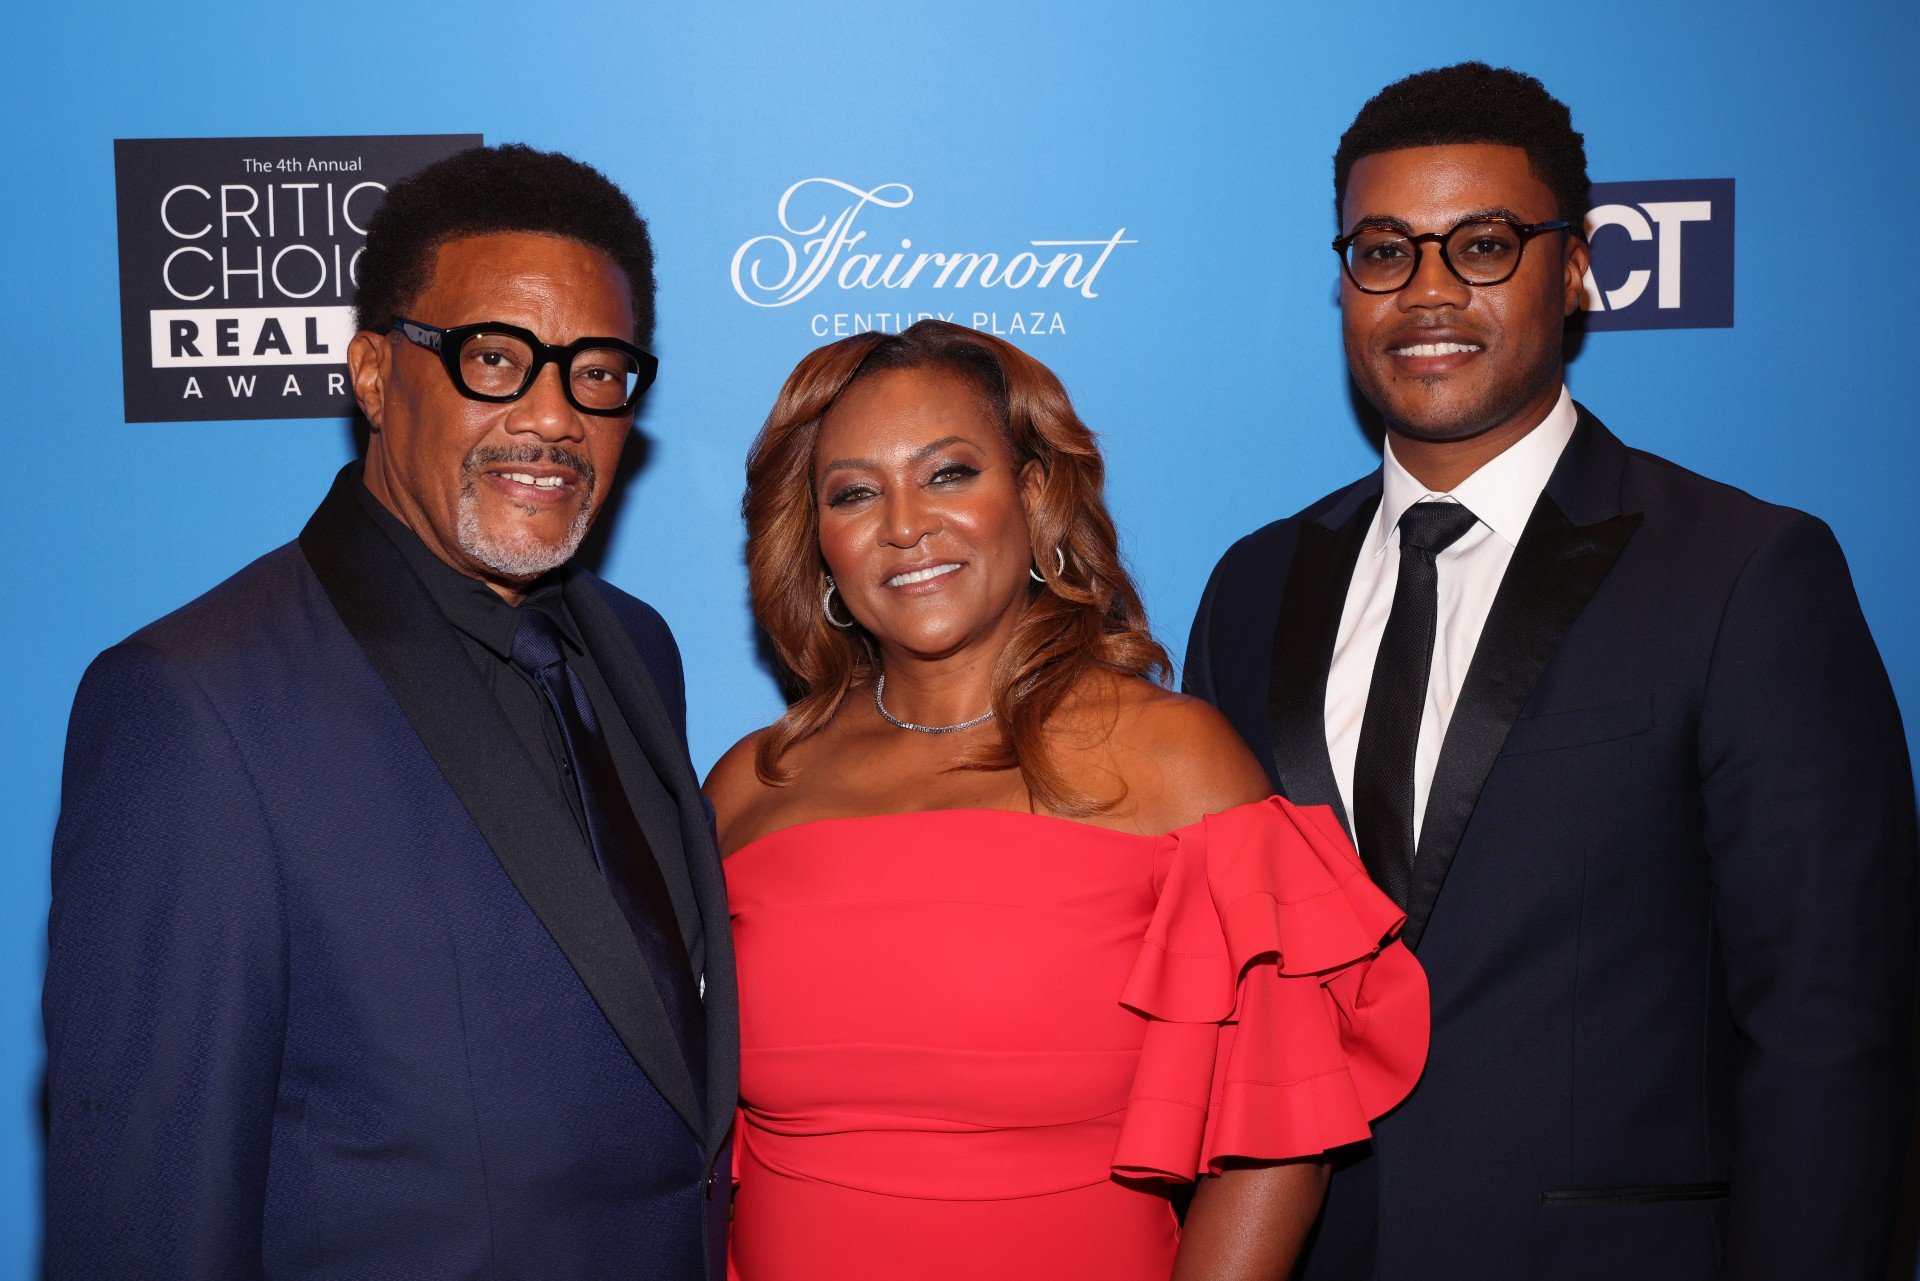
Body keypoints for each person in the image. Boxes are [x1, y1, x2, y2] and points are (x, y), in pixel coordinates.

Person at [1185, 62, 1918, 1280]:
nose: (1426, 292)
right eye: (1383, 250)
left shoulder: (1743, 572)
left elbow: (1829, 1023)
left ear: (1575, 269)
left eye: (1481, 245)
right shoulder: (1255, 583)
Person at [44, 144, 735, 1279]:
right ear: (373, 373)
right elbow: (147, 1216)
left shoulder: (639, 649)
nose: (554, 417)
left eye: (596, 372)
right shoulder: (194, 707)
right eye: (495, 358)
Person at [703, 319, 1429, 1281]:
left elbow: (1281, 1133)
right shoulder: (749, 787)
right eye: (854, 492)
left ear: (1034, 493)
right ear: (820, 541)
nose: (905, 523)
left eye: (949, 473)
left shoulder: (1176, 762)